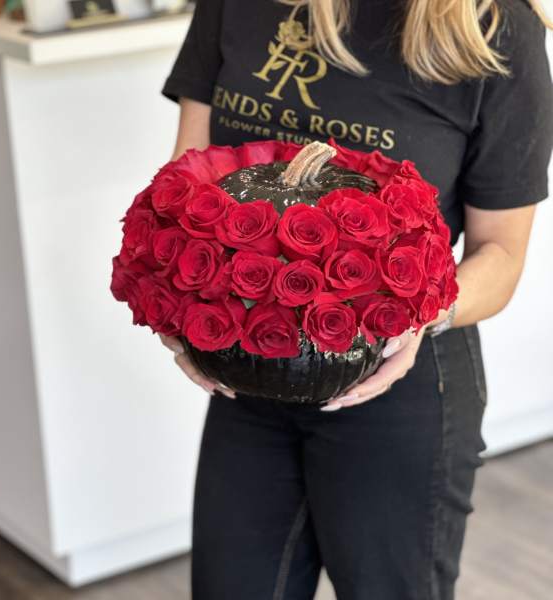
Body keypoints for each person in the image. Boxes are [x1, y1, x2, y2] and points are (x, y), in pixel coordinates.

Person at [159, 0, 553, 598]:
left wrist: (416, 318)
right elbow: (186, 186)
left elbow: (500, 253)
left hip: (397, 380)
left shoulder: (495, 29)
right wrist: (175, 298)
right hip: (247, 378)